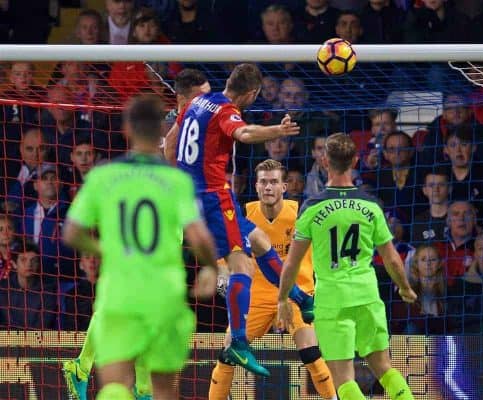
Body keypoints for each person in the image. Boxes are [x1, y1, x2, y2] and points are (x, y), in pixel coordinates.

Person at [62, 95, 219, 400]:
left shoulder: (103, 177)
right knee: (162, 390)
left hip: (119, 292)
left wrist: (107, 249)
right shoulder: (176, 181)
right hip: (164, 293)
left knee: (115, 387)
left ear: (126, 129)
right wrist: (212, 267)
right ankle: (84, 368)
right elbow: (199, 238)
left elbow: (71, 233)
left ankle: (84, 369)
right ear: (162, 129)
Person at [164, 63, 313, 377]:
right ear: (253, 92)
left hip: (200, 196)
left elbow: (170, 144)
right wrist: (278, 130)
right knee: (241, 266)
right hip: (213, 199)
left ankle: (299, 298)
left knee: (258, 239)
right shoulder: (225, 110)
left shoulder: (195, 103)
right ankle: (240, 343)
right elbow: (244, 133)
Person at [277, 132, 417, 400]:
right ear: (355, 160)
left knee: (342, 378)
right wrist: (405, 288)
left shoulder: (312, 207)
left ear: (324, 161)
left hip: (332, 299)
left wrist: (283, 298)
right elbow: (391, 258)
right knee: (384, 368)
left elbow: (292, 262)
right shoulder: (371, 205)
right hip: (366, 295)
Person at [209, 159, 336, 400]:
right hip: (256, 298)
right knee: (228, 353)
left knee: (311, 352)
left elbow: (324, 250)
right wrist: (222, 274)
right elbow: (225, 248)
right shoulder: (244, 214)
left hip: (296, 295)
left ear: (284, 187)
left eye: (274, 182)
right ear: (256, 186)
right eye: (264, 182)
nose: (268, 187)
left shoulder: (301, 213)